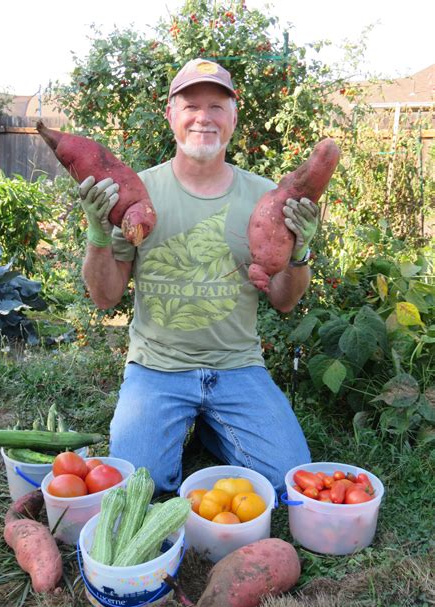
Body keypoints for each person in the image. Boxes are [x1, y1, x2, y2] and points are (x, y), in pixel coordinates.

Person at [80, 58, 319, 495]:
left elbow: (284, 300)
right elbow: (105, 297)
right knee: (140, 488)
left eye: (216, 105)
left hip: (237, 367)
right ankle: (197, 425)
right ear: (170, 113)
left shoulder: (266, 197)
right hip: (157, 369)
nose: (203, 117)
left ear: (233, 117)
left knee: (289, 483)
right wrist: (98, 234)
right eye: (191, 105)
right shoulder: (138, 192)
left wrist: (299, 252)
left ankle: (211, 429)